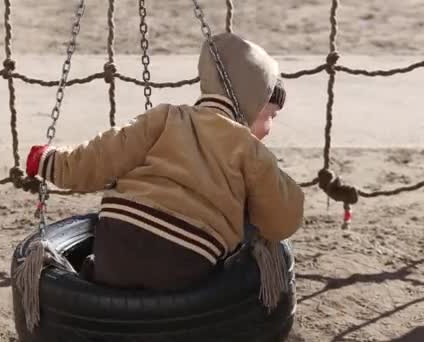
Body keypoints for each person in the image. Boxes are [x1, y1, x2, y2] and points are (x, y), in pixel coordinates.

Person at [24, 32, 304, 291]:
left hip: (117, 244)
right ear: (252, 101)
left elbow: (98, 157)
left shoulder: (166, 117)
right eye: (270, 115)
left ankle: (95, 278)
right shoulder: (250, 150)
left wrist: (49, 160)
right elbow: (282, 221)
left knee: (105, 270)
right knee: (224, 261)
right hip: (187, 262)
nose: (270, 127)